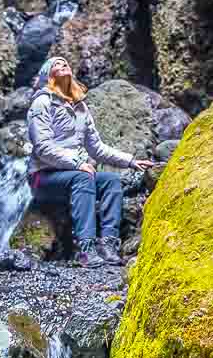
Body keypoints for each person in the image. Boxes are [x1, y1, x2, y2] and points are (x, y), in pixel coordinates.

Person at [26, 56, 154, 266]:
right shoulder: (42, 103)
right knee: (84, 178)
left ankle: (109, 244)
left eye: (65, 62)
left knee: (111, 181)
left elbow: (97, 148)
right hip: (43, 177)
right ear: (47, 76)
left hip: (72, 174)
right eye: (56, 64)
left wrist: (131, 161)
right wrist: (77, 163)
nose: (63, 64)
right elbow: (42, 147)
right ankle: (85, 249)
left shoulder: (80, 108)